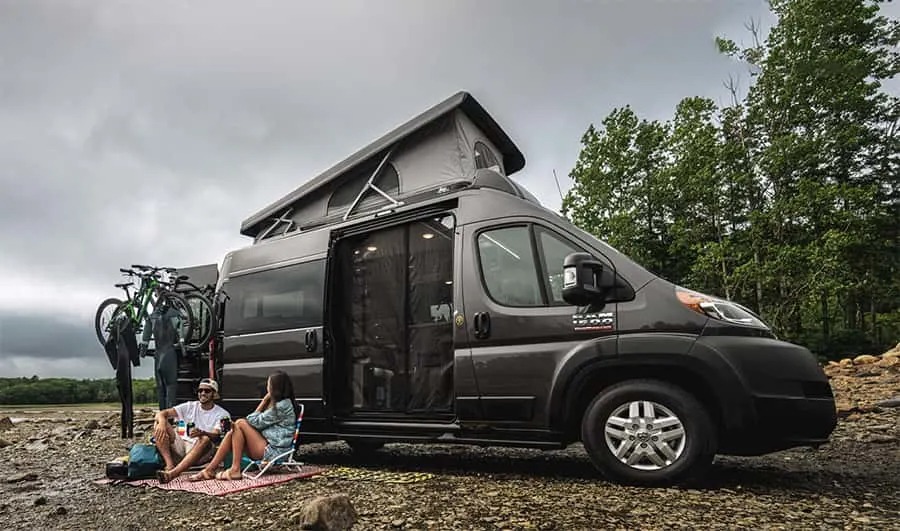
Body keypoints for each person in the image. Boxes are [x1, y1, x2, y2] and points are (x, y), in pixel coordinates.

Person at [188, 371, 299, 481]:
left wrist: (264, 400)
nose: (267, 388)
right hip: (268, 446)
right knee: (233, 430)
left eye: (269, 385)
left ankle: (233, 469)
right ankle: (210, 469)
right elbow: (255, 423)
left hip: (274, 452)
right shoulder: (280, 404)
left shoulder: (282, 406)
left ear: (275, 388)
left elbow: (252, 421)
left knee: (240, 423)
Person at [153, 378, 231, 483]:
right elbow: (162, 413)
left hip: (201, 451)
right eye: (200, 390)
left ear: (214, 394)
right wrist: (162, 423)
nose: (202, 393)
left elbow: (216, 435)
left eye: (207, 391)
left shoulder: (222, 414)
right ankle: (169, 465)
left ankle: (173, 474)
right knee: (159, 423)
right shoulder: (190, 406)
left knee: (204, 439)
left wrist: (202, 432)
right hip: (181, 444)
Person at [139, 297, 184, 410]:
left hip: (158, 354)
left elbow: (146, 334)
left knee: (160, 388)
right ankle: (169, 418)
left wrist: (143, 350)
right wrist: (183, 346)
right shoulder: (175, 314)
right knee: (171, 386)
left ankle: (161, 416)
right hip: (169, 353)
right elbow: (181, 330)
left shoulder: (152, 316)